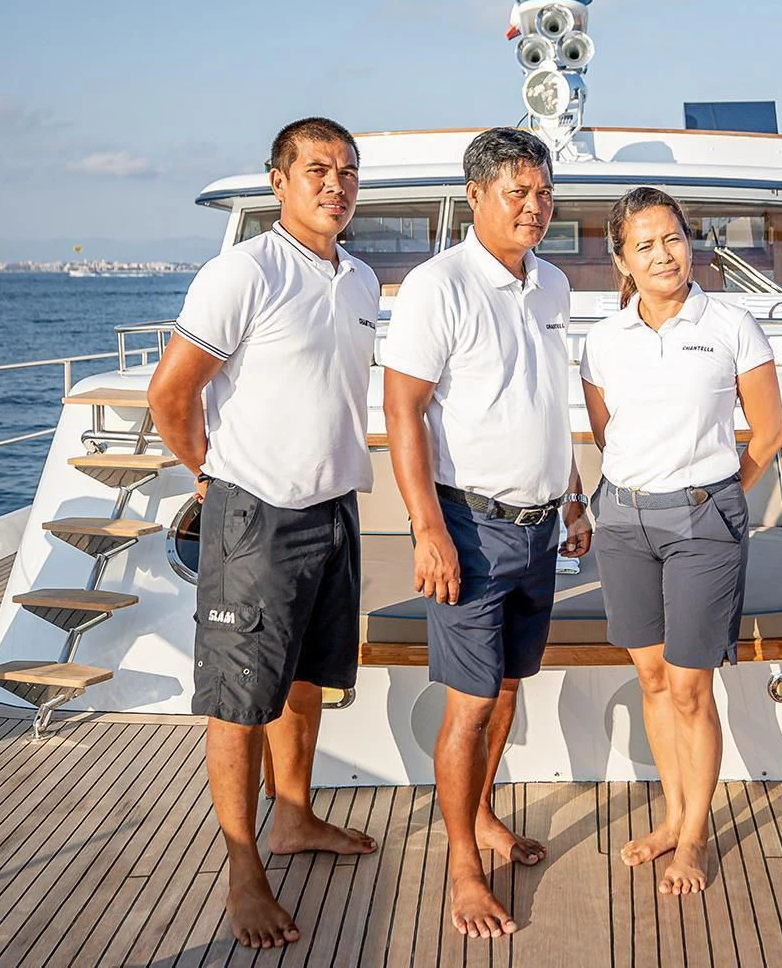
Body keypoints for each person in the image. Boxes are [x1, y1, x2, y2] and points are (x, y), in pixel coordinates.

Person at [147, 117, 380, 950]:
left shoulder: (360, 279)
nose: (336, 184)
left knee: (307, 680)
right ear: (278, 180)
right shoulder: (243, 271)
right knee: (239, 701)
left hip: (334, 509)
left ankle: (295, 817)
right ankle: (243, 868)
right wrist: (209, 473)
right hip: (255, 516)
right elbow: (170, 394)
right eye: (317, 169)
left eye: (347, 170)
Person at [380, 127, 592, 938]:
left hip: (539, 529)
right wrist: (426, 530)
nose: (535, 207)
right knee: (469, 706)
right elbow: (402, 410)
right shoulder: (438, 286)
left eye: (543, 193)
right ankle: (463, 866)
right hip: (468, 526)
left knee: (505, 690)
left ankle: (483, 816)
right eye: (518, 193)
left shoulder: (552, 285)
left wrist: (573, 497)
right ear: (476, 197)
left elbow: (547, 403)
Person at [578, 186, 782, 895]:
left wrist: (719, 493)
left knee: (691, 687)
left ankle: (693, 836)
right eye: (644, 245)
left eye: (672, 238)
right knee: (652, 678)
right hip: (623, 520)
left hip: (704, 521)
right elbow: (606, 433)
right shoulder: (604, 340)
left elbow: (769, 432)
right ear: (622, 260)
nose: (663, 254)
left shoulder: (731, 323)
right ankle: (672, 816)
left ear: (689, 241)